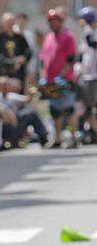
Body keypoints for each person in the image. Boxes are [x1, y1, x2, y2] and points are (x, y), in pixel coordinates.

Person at [39, 8, 78, 147]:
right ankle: (57, 139)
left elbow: (71, 58)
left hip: (64, 79)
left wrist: (63, 76)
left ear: (60, 22)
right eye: (51, 22)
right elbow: (44, 58)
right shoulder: (48, 36)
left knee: (69, 108)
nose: (53, 24)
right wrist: (44, 77)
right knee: (54, 110)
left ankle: (74, 138)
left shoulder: (68, 37)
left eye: (55, 21)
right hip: (50, 79)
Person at [0, 76, 48, 147]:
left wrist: (31, 90)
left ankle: (43, 137)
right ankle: (7, 141)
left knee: (30, 113)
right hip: (2, 127)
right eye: (2, 85)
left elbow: (27, 99)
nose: (4, 87)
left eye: (6, 84)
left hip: (15, 124)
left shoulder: (12, 96)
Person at [0, 13, 31, 86]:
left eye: (11, 22)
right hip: (2, 73)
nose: (9, 25)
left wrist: (23, 58)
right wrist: (11, 62)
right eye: (7, 22)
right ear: (3, 23)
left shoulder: (19, 38)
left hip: (18, 74)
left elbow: (28, 52)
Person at [78, 6, 97, 144]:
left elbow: (92, 43)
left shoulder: (90, 32)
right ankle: (89, 130)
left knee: (92, 105)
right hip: (87, 74)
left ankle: (93, 130)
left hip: (93, 74)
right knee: (87, 105)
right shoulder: (87, 32)